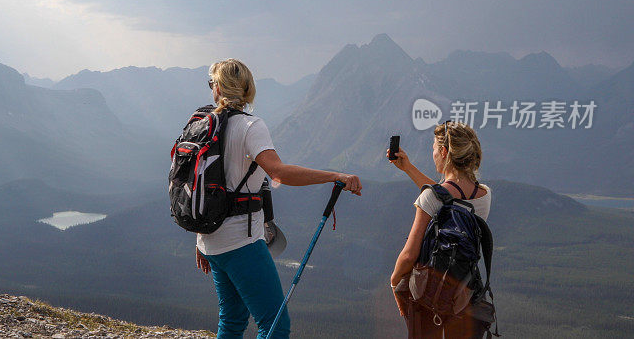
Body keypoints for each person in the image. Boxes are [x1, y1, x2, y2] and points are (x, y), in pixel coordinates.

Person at [195, 58, 362, 339]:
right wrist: (335, 176)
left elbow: (198, 184)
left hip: (210, 240)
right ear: (247, 89)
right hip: (240, 241)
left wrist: (201, 235)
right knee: (275, 324)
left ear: (218, 89)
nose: (211, 88)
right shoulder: (250, 126)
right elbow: (279, 172)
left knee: (233, 319)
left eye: (212, 83)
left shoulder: (204, 125)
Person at [387, 121, 491, 339]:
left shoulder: (430, 197)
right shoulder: (484, 195)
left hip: (427, 294)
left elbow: (409, 254)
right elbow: (447, 198)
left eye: (434, 148)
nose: (433, 153)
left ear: (444, 152)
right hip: (464, 291)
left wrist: (395, 281)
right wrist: (408, 168)